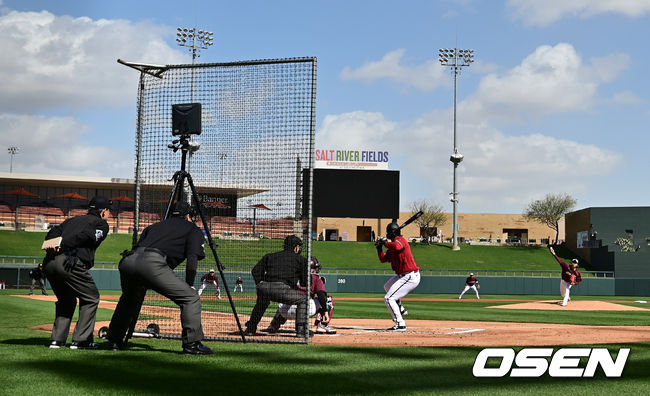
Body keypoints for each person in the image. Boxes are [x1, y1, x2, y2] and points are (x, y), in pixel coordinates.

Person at [107, 201, 212, 355]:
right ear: (188, 216)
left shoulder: (154, 226)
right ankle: (192, 345)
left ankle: (114, 341)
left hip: (128, 260)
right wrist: (190, 283)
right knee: (190, 298)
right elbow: (192, 257)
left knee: (129, 299)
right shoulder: (192, 229)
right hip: (153, 262)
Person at [41, 196, 111, 349]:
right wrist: (65, 245)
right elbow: (87, 236)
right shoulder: (101, 224)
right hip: (68, 262)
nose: (109, 213)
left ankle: (57, 341)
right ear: (103, 211)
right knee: (91, 298)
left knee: (67, 300)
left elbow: (53, 231)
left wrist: (54, 244)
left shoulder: (72, 220)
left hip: (49, 263)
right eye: (108, 210)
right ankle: (81, 340)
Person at [245, 235, 309, 337]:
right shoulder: (301, 260)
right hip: (282, 288)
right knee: (303, 300)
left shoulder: (270, 256)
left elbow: (255, 271)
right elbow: (304, 283)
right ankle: (301, 330)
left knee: (262, 303)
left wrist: (261, 284)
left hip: (264, 287)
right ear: (295, 247)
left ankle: (250, 329)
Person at [265, 257, 336, 335]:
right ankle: (322, 325)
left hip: (284, 311)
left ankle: (274, 324)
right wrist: (325, 311)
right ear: (312, 269)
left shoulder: (292, 275)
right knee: (329, 299)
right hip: (304, 310)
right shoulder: (315, 278)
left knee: (285, 299)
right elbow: (321, 295)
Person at [375, 222, 420, 331]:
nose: (387, 235)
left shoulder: (400, 240)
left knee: (389, 298)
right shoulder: (392, 247)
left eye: (388, 233)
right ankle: (400, 307)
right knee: (387, 287)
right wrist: (379, 248)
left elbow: (397, 246)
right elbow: (383, 259)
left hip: (410, 276)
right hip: (402, 276)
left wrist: (385, 243)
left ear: (392, 233)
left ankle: (400, 323)